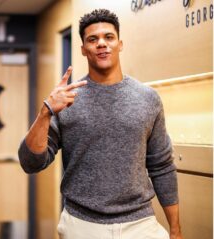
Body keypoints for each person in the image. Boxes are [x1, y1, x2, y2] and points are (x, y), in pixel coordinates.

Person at [18, 8, 183, 239]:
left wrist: (175, 229)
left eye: (109, 37)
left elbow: (162, 166)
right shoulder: (67, 100)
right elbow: (30, 162)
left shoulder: (148, 98)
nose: (102, 44)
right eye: (92, 39)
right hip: (81, 225)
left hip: (140, 224)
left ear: (120, 44)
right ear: (84, 49)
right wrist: (46, 112)